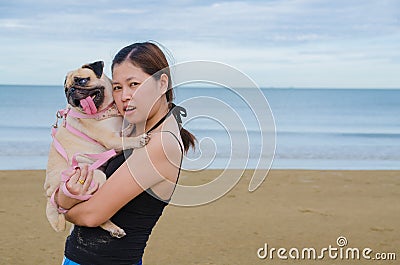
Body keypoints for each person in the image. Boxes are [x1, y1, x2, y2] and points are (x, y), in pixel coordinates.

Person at [54, 42, 196, 265]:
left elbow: (92, 215)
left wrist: (65, 210)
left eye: (134, 84)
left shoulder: (161, 143)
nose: (124, 96)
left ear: (162, 84)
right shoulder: (134, 130)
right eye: (118, 87)